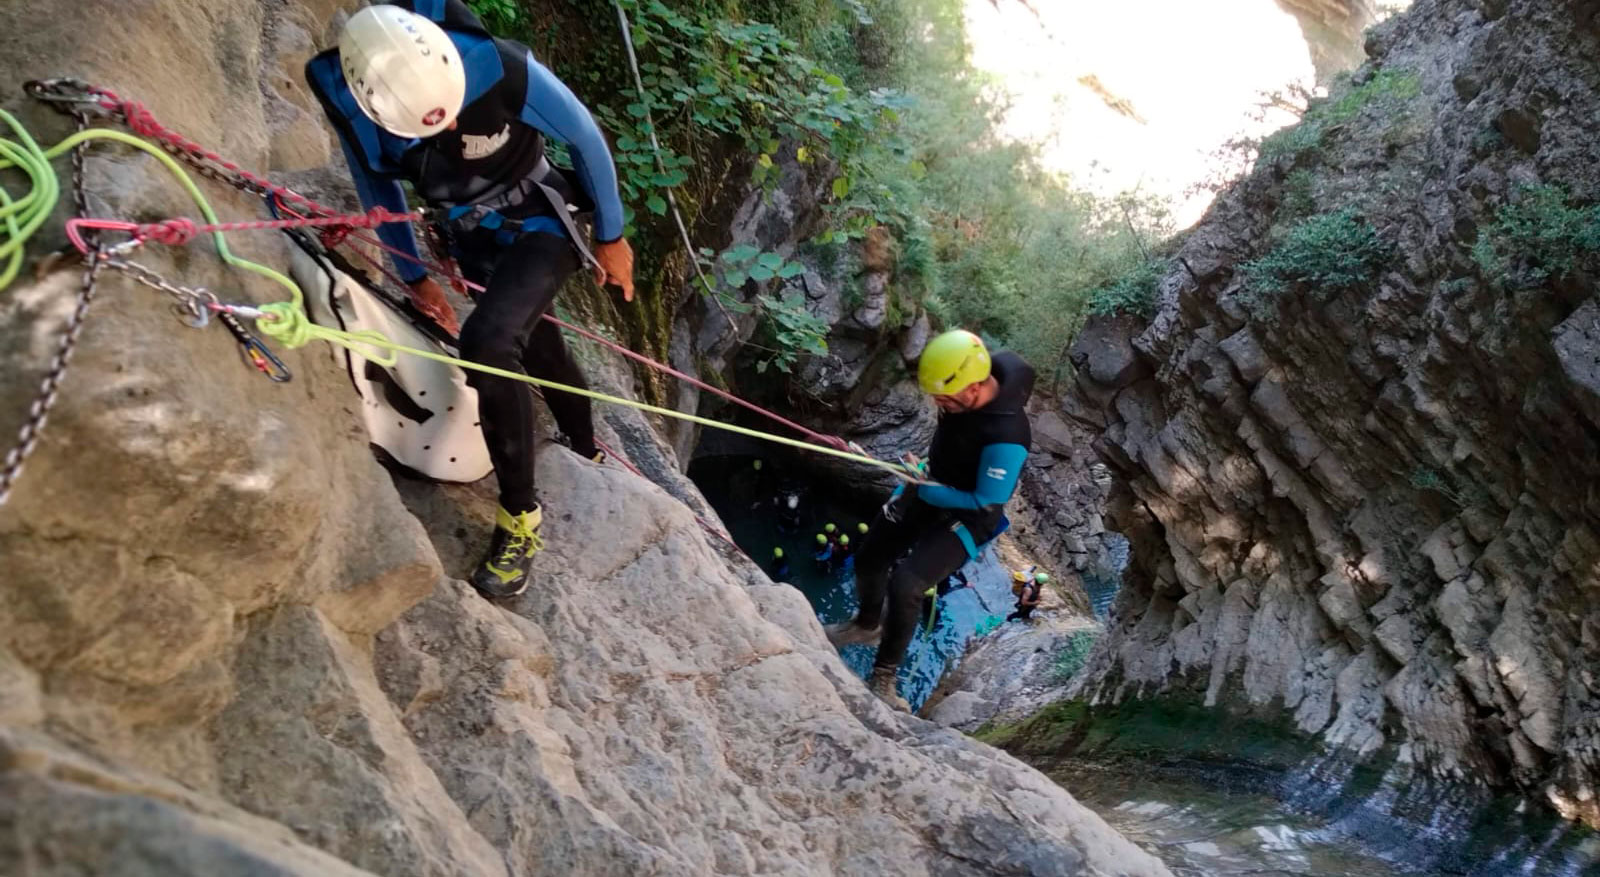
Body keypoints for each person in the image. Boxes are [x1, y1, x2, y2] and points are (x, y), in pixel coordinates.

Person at [306, 0, 635, 599]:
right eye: (430, 128)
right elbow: (375, 187)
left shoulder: (495, 65)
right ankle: (585, 444)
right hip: (471, 237)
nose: (453, 132)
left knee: (486, 341)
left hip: (543, 219)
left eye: (450, 114)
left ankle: (520, 516)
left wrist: (611, 235)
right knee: (534, 342)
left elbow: (585, 138)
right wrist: (414, 276)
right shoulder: (351, 99)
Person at [824, 330, 1034, 711]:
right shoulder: (976, 380)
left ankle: (884, 678)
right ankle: (867, 624)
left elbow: (986, 500)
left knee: (907, 584)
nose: (937, 403)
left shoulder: (1007, 435)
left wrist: (927, 490)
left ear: (972, 389)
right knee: (871, 554)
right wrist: (922, 475)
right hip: (931, 482)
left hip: (970, 512)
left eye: (943, 397)